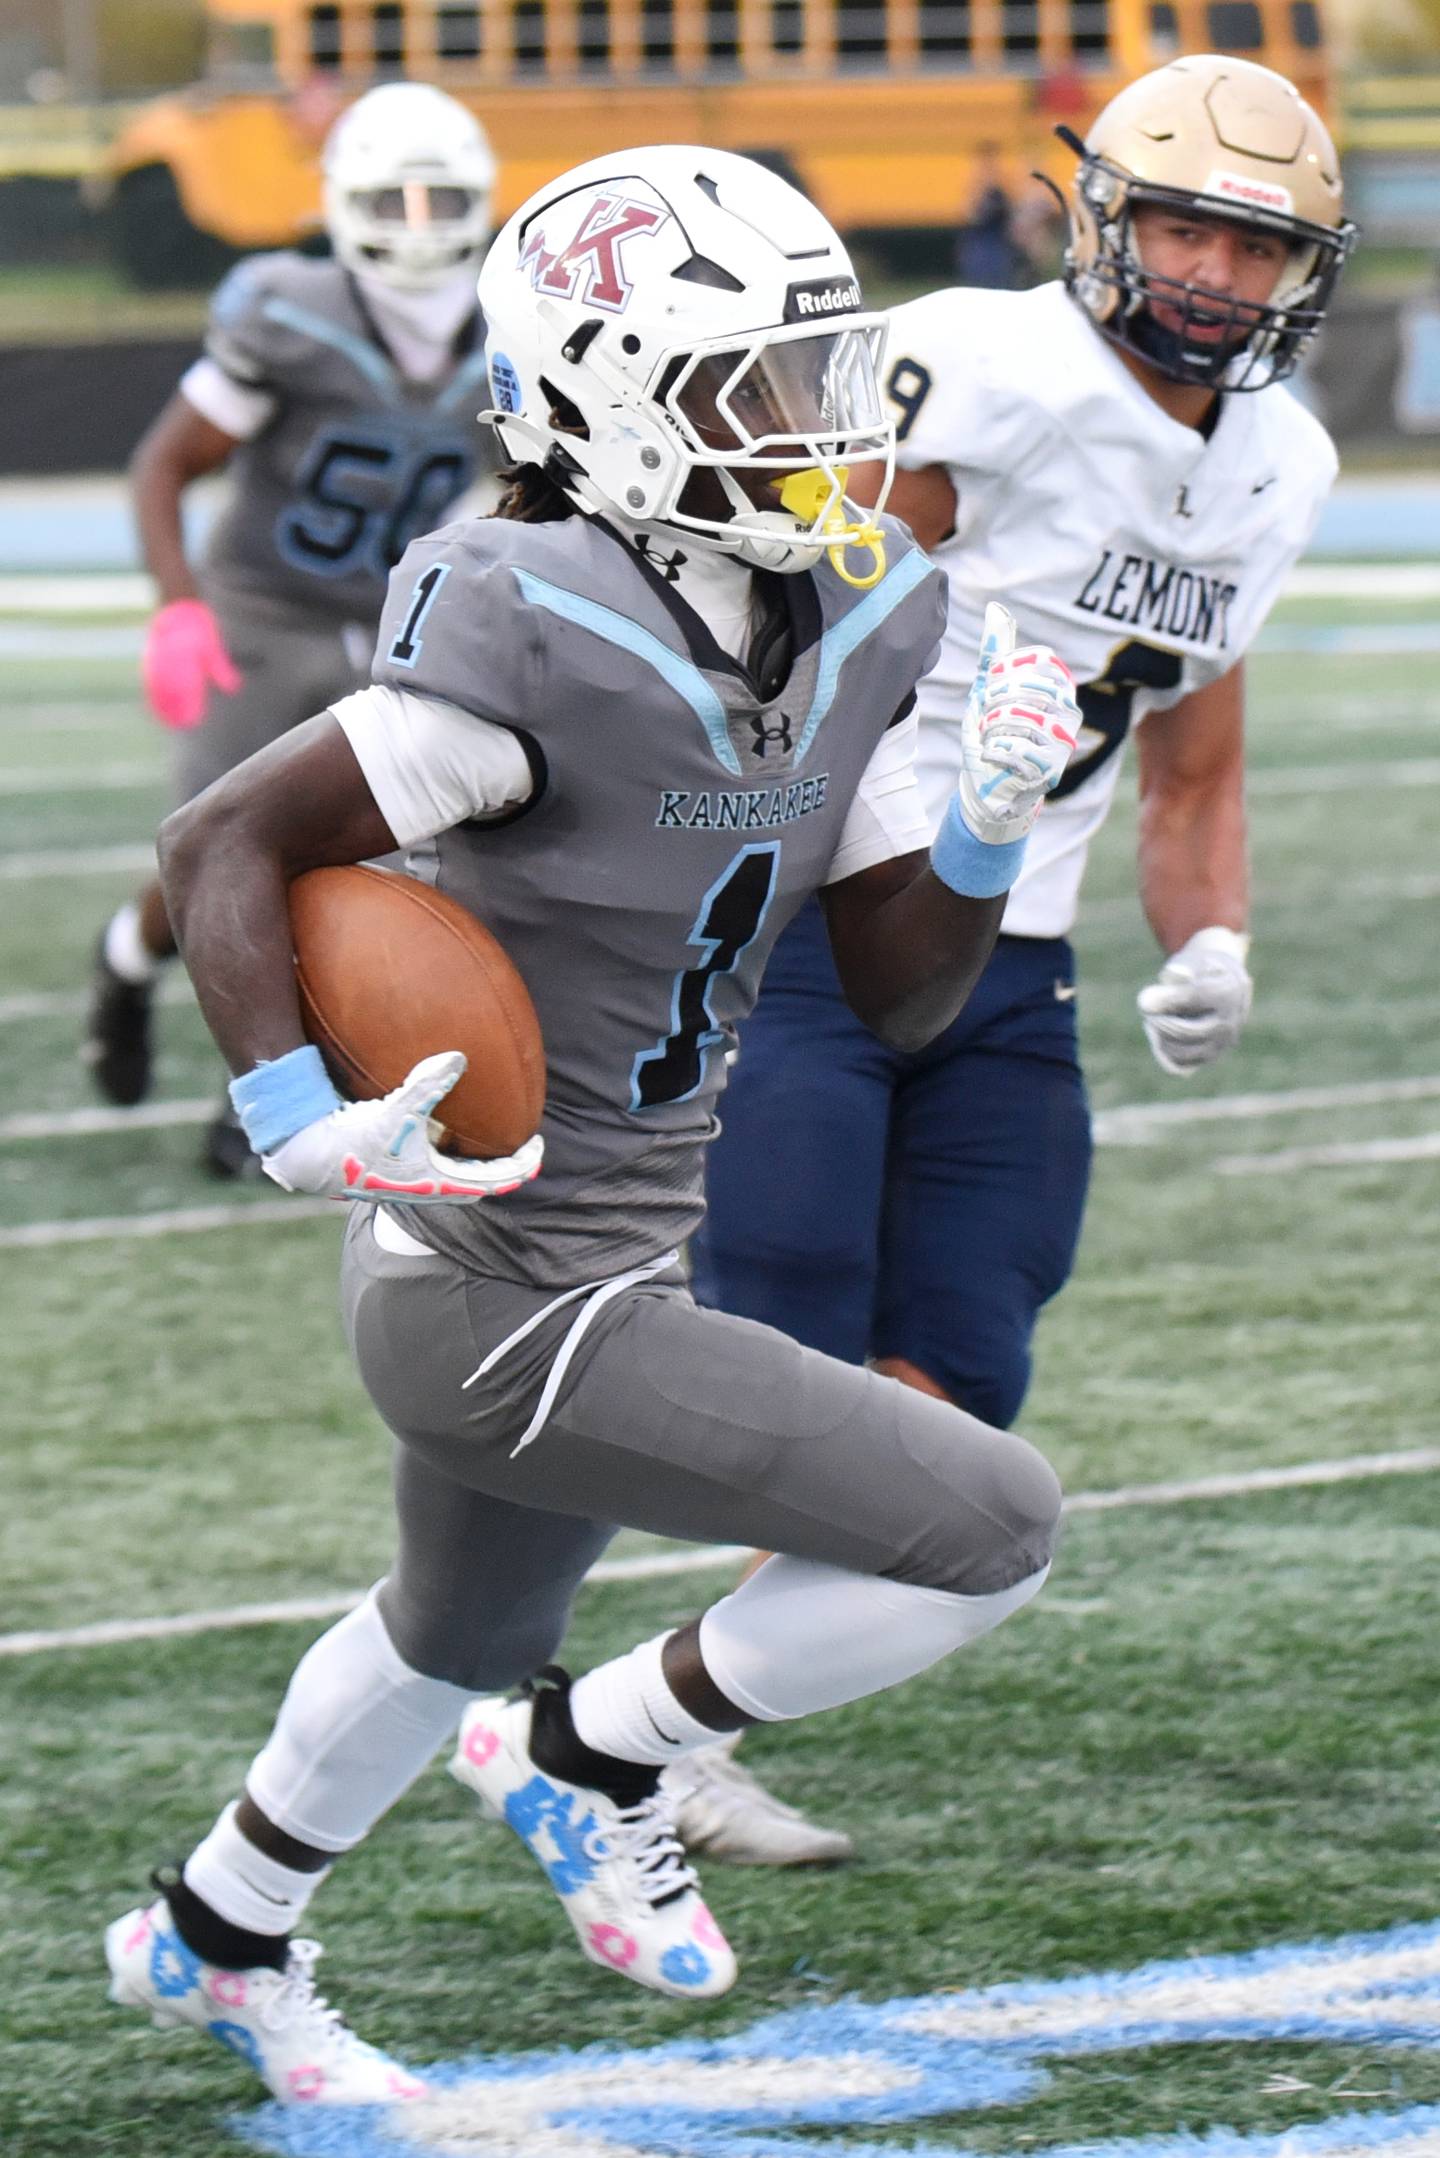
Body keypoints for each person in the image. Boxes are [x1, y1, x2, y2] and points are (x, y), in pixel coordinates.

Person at [102, 144, 1081, 2105]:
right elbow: (225, 836)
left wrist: (981, 822)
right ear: (622, 400)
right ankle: (598, 1752)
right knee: (997, 1519)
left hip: (600, 1245)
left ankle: (213, 1932)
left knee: (450, 1631)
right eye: (760, 386)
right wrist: (293, 1105)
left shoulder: (855, 607)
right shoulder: (534, 612)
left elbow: (896, 982)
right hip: (511, 1289)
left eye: (822, 374)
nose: (814, 426)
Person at [685, 54, 1354, 1859]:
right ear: (1103, 217)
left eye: (1260, 242)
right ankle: (558, 1699)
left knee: (959, 1377)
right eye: (1187, 223)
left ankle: (661, 1720)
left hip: (1013, 963)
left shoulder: (1280, 465)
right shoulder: (983, 362)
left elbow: (1194, 748)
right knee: (783, 1352)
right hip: (832, 914)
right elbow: (754, 572)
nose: (1217, 271)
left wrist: (1210, 928)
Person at [82, 80, 500, 1178]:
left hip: (397, 627)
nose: (417, 226)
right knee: (216, 862)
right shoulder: (288, 307)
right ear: (346, 204)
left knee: (379, 862)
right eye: (392, 201)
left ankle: (277, 1090)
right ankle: (127, 964)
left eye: (438, 199)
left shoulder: (511, 329)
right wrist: (178, 603)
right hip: (260, 614)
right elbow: (164, 462)